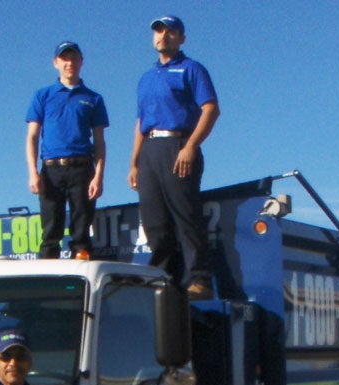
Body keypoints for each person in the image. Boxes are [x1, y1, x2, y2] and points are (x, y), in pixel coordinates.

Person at [128, 14, 220, 300]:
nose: (163, 36)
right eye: (158, 31)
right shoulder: (146, 78)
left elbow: (211, 109)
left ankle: (199, 281)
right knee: (154, 222)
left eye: (170, 32)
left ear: (181, 38)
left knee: (186, 215)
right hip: (150, 151)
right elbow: (141, 122)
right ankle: (161, 279)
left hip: (179, 145)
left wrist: (191, 145)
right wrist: (133, 162)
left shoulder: (192, 69)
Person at [25, 41, 109, 259]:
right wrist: (33, 172)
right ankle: (47, 284)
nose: (69, 63)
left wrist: (98, 176)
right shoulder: (43, 95)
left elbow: (100, 141)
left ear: (81, 61)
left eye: (74, 58)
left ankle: (81, 282)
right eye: (64, 58)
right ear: (56, 63)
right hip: (51, 169)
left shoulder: (93, 98)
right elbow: (32, 136)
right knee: (50, 232)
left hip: (82, 169)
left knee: (81, 234)